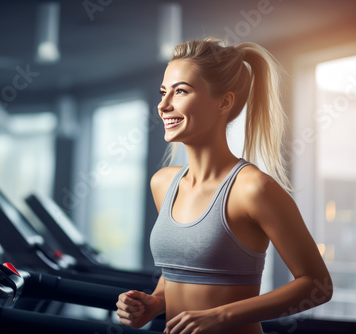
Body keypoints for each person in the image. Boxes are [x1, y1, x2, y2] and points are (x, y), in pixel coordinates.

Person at [116, 37, 333, 334]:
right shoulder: (163, 183)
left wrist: (221, 316)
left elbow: (317, 286)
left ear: (225, 102)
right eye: (163, 92)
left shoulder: (253, 189)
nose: (163, 105)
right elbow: (181, 270)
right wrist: (155, 302)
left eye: (180, 91)